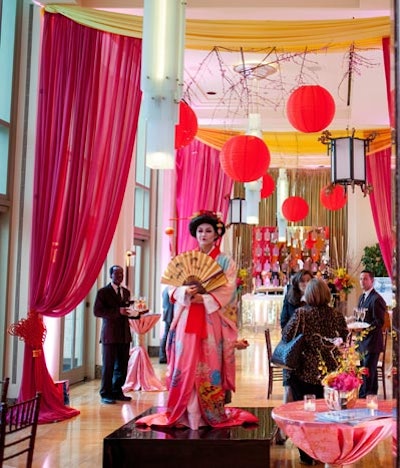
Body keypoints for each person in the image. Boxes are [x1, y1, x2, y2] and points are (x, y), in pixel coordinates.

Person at [137, 210, 257, 429]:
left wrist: (203, 297)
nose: (203, 234)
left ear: (215, 234)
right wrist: (183, 291)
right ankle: (182, 413)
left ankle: (206, 414)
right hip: (186, 318)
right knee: (184, 364)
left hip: (211, 320)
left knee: (208, 365)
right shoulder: (185, 258)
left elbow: (228, 289)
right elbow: (171, 287)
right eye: (200, 230)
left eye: (208, 230)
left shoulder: (224, 261)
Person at [282, 278, 348, 465]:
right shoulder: (336, 315)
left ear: (308, 294)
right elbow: (344, 337)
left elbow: (286, 335)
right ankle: (324, 452)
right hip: (329, 374)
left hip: (304, 371)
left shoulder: (301, 314)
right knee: (326, 415)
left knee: (305, 415)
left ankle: (306, 454)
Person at [276, 269, 312, 444]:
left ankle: (305, 431)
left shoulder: (317, 300)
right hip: (292, 351)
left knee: (308, 393)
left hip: (311, 354)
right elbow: (284, 323)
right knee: (288, 389)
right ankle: (282, 431)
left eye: (308, 281)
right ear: (297, 284)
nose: (305, 284)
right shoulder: (290, 301)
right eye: (302, 281)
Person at [93, 265, 136, 404]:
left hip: (124, 335)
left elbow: (128, 310)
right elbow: (97, 312)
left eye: (121, 274)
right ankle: (106, 393)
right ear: (110, 275)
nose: (120, 277)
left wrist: (136, 313)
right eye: (117, 274)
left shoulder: (126, 292)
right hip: (110, 335)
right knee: (109, 366)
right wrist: (118, 312)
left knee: (122, 366)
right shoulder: (103, 292)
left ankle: (117, 391)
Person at [356, 270, 386, 398]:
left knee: (367, 373)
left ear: (372, 281)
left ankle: (363, 399)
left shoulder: (376, 299)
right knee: (369, 375)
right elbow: (360, 317)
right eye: (361, 279)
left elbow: (379, 322)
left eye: (365, 279)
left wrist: (364, 328)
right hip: (363, 343)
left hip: (372, 343)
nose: (362, 281)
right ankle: (371, 400)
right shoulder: (362, 297)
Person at [159, 287, 174, 364]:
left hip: (167, 313)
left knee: (166, 334)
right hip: (170, 314)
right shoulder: (171, 289)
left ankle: (163, 355)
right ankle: (163, 356)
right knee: (167, 335)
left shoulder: (165, 289)